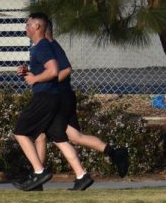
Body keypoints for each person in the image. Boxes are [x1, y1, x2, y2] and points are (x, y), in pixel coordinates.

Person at [26, 23, 131, 188]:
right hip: (62, 96)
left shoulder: (51, 46)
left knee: (44, 136)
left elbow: (66, 69)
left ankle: (40, 177)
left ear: (42, 29)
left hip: (58, 97)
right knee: (74, 137)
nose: (28, 30)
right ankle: (114, 153)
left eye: (31, 26)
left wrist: (47, 82)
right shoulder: (44, 48)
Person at [12, 13, 90, 191]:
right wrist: (27, 71)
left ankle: (39, 172)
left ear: (38, 27)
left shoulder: (42, 46)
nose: (26, 28)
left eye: (28, 24)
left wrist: (35, 79)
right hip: (52, 96)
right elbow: (47, 68)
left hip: (45, 96)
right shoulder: (39, 47)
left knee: (20, 132)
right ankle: (81, 175)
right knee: (58, 137)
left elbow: (54, 70)